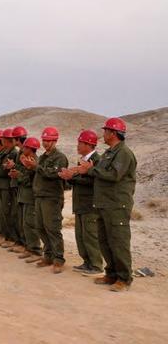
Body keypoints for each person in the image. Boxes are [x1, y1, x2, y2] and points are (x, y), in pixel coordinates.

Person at [75, 118, 137, 292]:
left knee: (118, 241)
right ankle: (111, 273)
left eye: (105, 131)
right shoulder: (109, 152)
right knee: (104, 240)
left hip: (117, 205)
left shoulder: (123, 153)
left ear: (113, 133)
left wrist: (90, 169)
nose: (103, 134)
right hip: (103, 204)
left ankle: (124, 278)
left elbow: (114, 175)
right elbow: (100, 173)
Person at [23, 127, 68, 274]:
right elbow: (37, 175)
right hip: (40, 196)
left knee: (52, 228)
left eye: (48, 140)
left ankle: (58, 259)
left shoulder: (59, 157)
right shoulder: (43, 157)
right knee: (40, 226)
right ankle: (48, 255)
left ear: (55, 141)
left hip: (52, 197)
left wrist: (36, 167)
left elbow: (53, 174)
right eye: (44, 140)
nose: (45, 143)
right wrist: (30, 168)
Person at [58, 130, 103, 274]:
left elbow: (92, 180)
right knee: (81, 236)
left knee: (90, 236)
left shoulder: (96, 160)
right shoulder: (83, 160)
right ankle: (87, 262)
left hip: (90, 204)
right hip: (80, 204)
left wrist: (71, 177)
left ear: (89, 144)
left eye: (80, 143)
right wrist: (69, 177)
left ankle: (96, 265)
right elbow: (80, 180)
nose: (77, 146)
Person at [15, 137, 42, 262]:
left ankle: (35, 250)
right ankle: (29, 248)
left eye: (25, 147)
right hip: (25, 196)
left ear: (30, 149)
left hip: (30, 196)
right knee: (25, 223)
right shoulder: (28, 160)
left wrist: (18, 176)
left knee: (31, 224)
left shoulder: (34, 162)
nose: (22, 149)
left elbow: (28, 180)